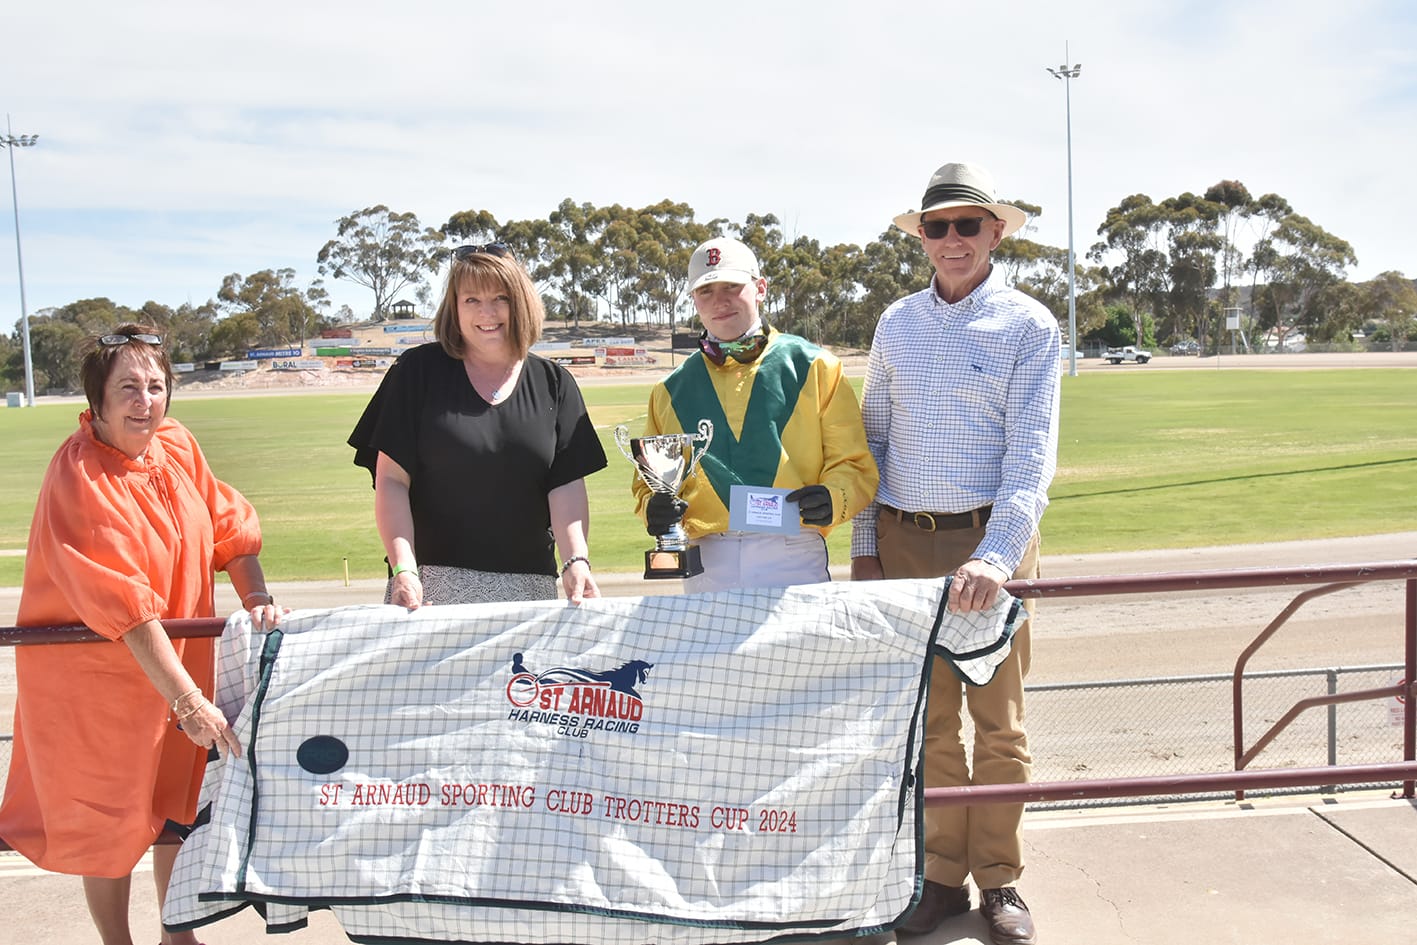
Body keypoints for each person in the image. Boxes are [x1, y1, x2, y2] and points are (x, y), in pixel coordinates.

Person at [0, 324, 282, 945]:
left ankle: (176, 935)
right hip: (97, 684)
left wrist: (256, 594)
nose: (144, 401)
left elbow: (227, 521)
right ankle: (116, 942)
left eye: (156, 386)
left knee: (174, 811)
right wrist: (189, 701)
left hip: (173, 662)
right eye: (127, 387)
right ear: (95, 401)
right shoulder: (81, 475)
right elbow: (125, 603)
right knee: (106, 820)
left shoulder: (175, 444)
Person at [850, 163, 1060, 945]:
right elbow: (871, 438)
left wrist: (997, 554)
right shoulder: (895, 322)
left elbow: (1030, 456)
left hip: (988, 544)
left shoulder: (1029, 324)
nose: (949, 241)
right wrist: (866, 545)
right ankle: (938, 875)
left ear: (994, 232)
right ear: (922, 239)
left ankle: (999, 880)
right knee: (930, 725)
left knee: (997, 724)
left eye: (965, 225)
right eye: (935, 228)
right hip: (905, 538)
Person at [348, 243, 607, 607]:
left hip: (530, 591)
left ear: (521, 303)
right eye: (471, 299)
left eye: (500, 297)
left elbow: (564, 487)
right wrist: (403, 569)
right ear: (454, 307)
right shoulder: (416, 373)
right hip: (429, 590)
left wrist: (576, 561)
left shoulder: (554, 382)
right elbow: (391, 481)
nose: (487, 312)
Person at [632, 236, 878, 592]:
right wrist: (653, 508)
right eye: (706, 291)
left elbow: (853, 464)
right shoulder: (670, 389)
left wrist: (834, 497)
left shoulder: (817, 367)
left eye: (732, 286)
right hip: (706, 558)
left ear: (760, 288)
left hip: (793, 552)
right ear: (693, 301)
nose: (720, 301)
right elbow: (648, 483)